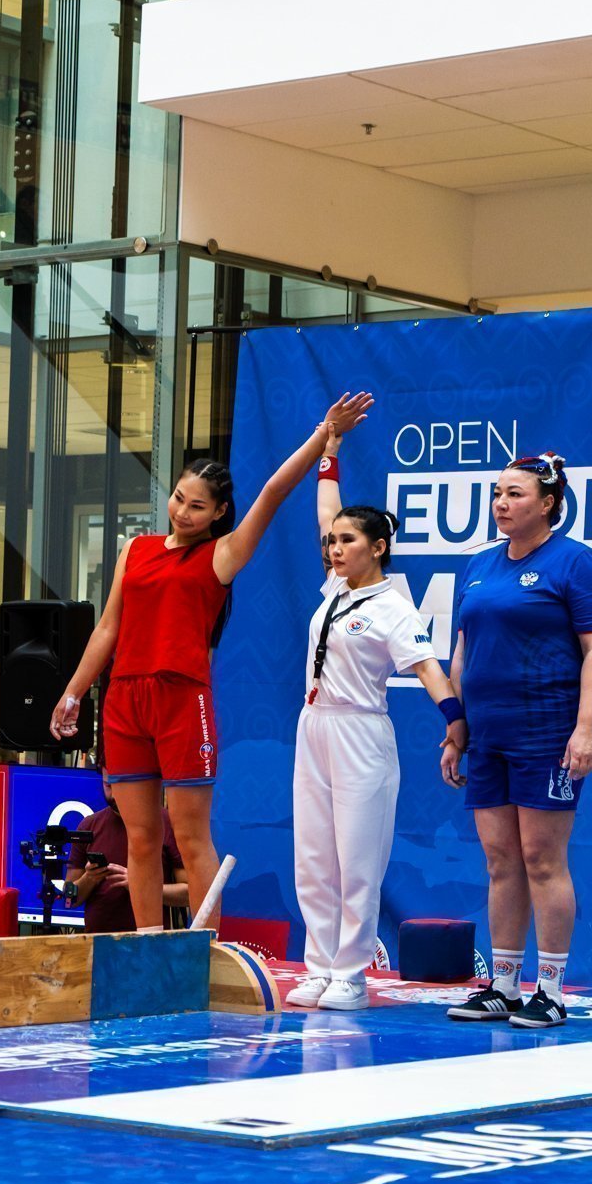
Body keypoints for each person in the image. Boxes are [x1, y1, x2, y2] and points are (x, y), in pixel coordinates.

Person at [50, 393, 373, 933]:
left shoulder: (222, 554)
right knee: (140, 839)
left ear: (219, 513)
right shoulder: (136, 549)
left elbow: (272, 492)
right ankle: (149, 945)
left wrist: (324, 434)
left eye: (197, 506)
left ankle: (201, 949)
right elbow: (108, 628)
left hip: (182, 701)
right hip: (125, 700)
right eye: (179, 498)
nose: (183, 511)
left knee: (190, 836)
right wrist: (73, 692)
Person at [288, 419, 468, 1012]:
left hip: (361, 731)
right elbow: (326, 510)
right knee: (314, 856)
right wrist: (329, 453)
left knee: (357, 859)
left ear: (378, 547)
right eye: (332, 542)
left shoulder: (393, 607)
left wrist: (454, 720)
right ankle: (318, 966)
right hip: (314, 726)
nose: (335, 548)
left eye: (348, 541)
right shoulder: (333, 589)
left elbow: (427, 668)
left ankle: (350, 974)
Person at [444, 452, 592, 1029]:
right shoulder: (479, 565)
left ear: (548, 504)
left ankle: (552, 990)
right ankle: (503, 985)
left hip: (546, 730)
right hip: (487, 734)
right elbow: (463, 653)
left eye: (515, 494)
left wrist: (586, 728)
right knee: (500, 860)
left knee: (542, 857)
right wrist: (457, 729)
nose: (501, 503)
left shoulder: (575, 562)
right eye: (497, 493)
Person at [64, 772, 189, 933]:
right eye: (108, 786)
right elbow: (70, 899)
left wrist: (141, 887)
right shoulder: (89, 826)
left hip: (148, 940)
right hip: (97, 941)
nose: (114, 795)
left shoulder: (166, 822)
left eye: (120, 785)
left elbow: (188, 894)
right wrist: (89, 878)